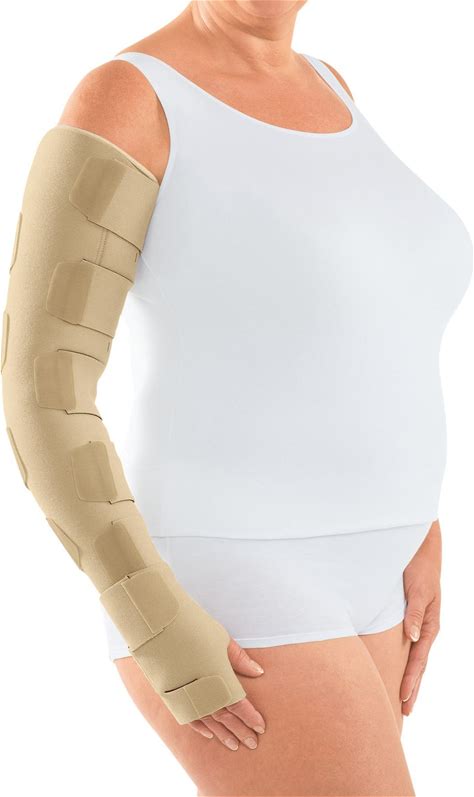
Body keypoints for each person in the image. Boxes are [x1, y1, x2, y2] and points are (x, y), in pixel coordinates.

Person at [3, 2, 472, 795]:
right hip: (231, 571)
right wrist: (151, 614)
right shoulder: (132, 95)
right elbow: (42, 387)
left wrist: (415, 524)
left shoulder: (332, 85)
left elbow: (354, 326)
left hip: (380, 574)